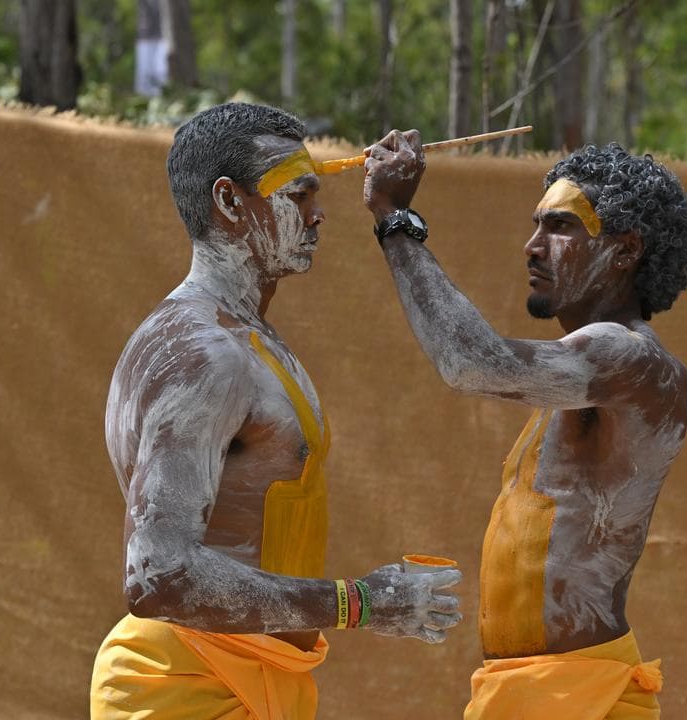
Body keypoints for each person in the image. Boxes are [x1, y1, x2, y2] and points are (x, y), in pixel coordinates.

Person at [91, 104, 462, 720]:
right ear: (229, 202)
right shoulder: (202, 354)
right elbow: (159, 575)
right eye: (298, 194)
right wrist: (361, 603)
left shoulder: (243, 339)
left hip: (251, 680)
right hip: (186, 687)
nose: (318, 214)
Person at [362, 131, 687, 720]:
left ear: (624, 251)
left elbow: (470, 363)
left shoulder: (630, 358)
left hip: (578, 694)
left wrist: (397, 219)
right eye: (536, 225)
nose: (532, 246)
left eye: (560, 226)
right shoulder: (577, 378)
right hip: (523, 691)